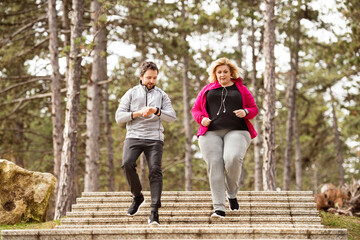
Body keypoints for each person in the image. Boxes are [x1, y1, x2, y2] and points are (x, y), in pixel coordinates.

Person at [191, 57, 258, 218]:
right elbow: (195, 109)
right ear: (215, 73)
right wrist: (202, 119)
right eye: (219, 72)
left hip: (237, 130)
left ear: (231, 73)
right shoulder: (207, 89)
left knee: (233, 158)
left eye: (225, 72)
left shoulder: (241, 89)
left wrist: (246, 112)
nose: (222, 75)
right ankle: (219, 207)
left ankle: (232, 194)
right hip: (210, 132)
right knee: (214, 164)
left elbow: (253, 108)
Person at [115, 61, 176, 225]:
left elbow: (172, 116)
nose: (151, 81)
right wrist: (136, 113)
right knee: (127, 164)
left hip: (154, 137)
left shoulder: (162, 95)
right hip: (133, 136)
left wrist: (156, 111)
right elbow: (119, 117)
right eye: (148, 77)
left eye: (154, 78)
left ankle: (154, 211)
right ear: (141, 76)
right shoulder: (131, 93)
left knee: (155, 170)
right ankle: (137, 196)